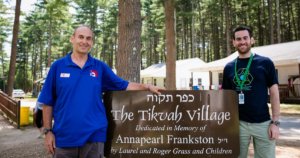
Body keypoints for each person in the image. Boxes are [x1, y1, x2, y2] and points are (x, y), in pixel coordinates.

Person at [38, 25, 164, 158]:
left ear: (92, 42)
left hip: (94, 136)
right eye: (81, 37)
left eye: (89, 38)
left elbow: (124, 85)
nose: (84, 41)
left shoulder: (99, 67)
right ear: (72, 39)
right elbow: (47, 102)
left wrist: (147, 86)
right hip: (64, 138)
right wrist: (48, 132)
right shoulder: (58, 66)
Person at [222, 25, 280, 158]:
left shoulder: (265, 63)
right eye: (238, 39)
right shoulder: (229, 67)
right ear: (234, 42)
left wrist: (275, 123)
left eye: (245, 38)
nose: (242, 41)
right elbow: (225, 98)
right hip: (237, 125)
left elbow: (275, 93)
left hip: (263, 124)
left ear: (252, 40)